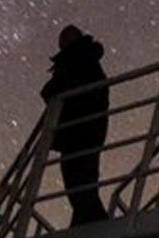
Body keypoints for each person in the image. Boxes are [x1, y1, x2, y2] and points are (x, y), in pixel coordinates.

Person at [43, 24, 111, 225]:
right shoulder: (86, 60)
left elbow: (55, 90)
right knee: (82, 185)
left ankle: (94, 225)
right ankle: (89, 223)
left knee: (79, 185)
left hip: (79, 133)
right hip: (85, 133)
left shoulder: (78, 61)